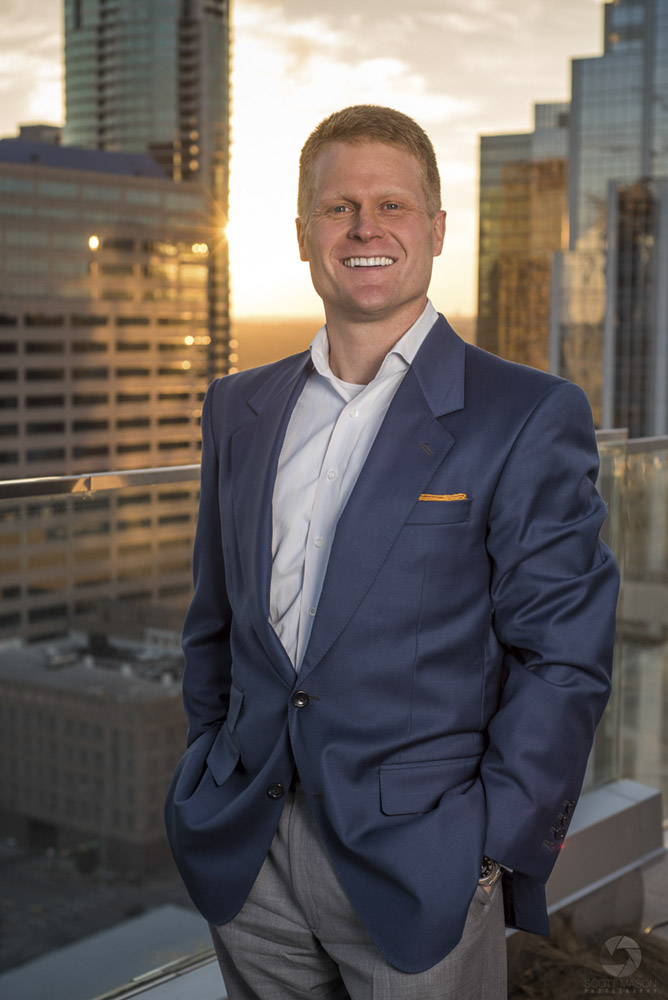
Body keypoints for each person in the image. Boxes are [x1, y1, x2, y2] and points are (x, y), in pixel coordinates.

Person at [165, 105, 619, 999]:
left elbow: (563, 656)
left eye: (393, 206)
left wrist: (488, 848)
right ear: (303, 235)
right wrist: (204, 772)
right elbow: (212, 620)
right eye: (338, 208)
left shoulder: (525, 413)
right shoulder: (238, 408)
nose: (365, 228)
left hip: (423, 861)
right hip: (248, 852)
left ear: (437, 229)